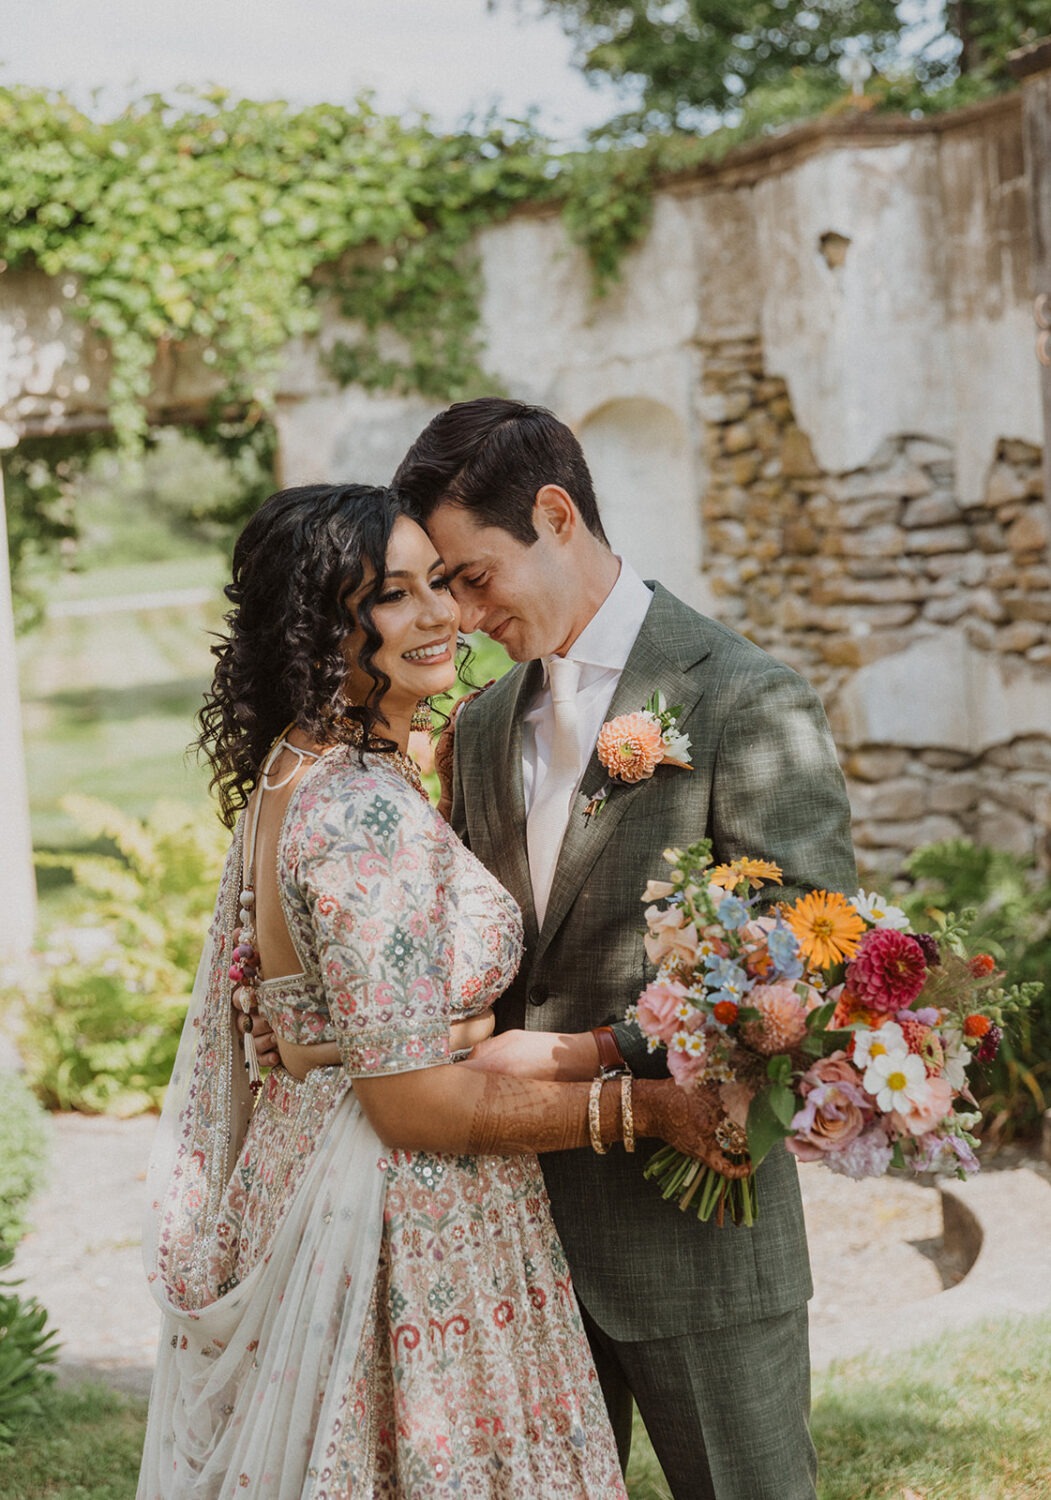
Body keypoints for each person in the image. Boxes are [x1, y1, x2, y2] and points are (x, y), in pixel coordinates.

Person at [138, 481, 746, 1499]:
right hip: (400, 1226)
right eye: (391, 595)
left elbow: (321, 1018)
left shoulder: (304, 772)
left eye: (440, 584)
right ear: (318, 624)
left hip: (325, 1173)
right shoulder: (359, 816)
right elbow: (412, 1099)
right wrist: (650, 1109)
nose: (442, 616)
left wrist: (387, 1035)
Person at [390, 399, 859, 1500]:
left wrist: (585, 1055)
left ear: (555, 515)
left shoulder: (743, 698)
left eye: (471, 575)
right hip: (517, 1244)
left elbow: (806, 963)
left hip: (696, 1233)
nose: (457, 613)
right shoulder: (484, 720)